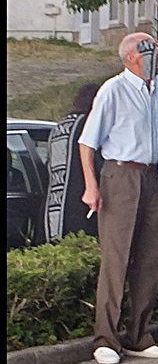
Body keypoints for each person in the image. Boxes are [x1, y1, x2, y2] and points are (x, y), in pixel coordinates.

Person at [79, 32, 158, 364]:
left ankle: (139, 335)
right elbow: (87, 143)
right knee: (116, 258)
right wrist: (91, 186)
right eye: (150, 50)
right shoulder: (113, 90)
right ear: (132, 56)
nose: (156, 56)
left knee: (149, 257)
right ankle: (105, 338)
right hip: (120, 175)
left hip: (153, 174)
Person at [42, 81, 103, 243]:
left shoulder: (60, 126)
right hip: (80, 195)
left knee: (57, 243)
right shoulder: (88, 125)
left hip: (54, 198)